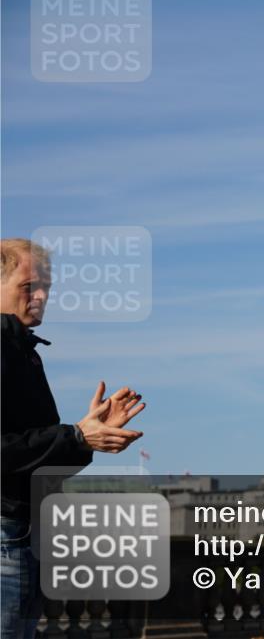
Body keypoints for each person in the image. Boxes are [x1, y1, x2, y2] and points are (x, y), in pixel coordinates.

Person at [1, 238, 147, 639]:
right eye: (29, 285)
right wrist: (77, 435)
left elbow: (35, 454)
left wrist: (88, 435)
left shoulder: (21, 349)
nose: (43, 295)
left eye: (47, 285)